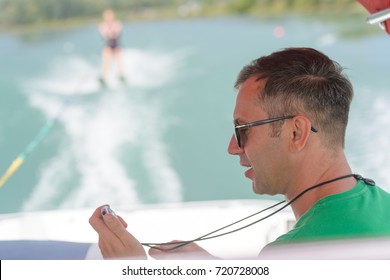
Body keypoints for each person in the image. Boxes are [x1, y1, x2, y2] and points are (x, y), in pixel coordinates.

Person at [89, 47, 390, 259]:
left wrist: (130, 269)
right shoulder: (383, 205)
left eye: (242, 129)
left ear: (296, 133)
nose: (232, 148)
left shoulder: (295, 255)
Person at [98, 9, 125, 85]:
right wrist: (109, 32)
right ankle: (104, 77)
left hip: (116, 44)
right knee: (106, 60)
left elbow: (118, 32)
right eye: (107, 16)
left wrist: (114, 32)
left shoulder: (117, 23)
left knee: (118, 58)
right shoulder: (102, 25)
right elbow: (103, 34)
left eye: (110, 15)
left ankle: (122, 74)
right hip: (108, 44)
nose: (108, 17)